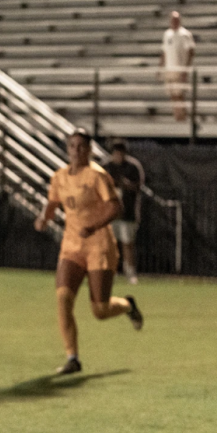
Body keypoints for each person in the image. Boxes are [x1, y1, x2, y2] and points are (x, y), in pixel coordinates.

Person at [34, 129, 144, 375]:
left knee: (100, 311)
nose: (76, 150)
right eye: (72, 146)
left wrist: (93, 226)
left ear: (90, 150)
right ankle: (72, 358)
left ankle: (127, 304)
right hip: (72, 246)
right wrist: (43, 219)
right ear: (67, 149)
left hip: (99, 246)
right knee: (63, 298)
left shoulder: (98, 176)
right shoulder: (59, 177)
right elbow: (52, 204)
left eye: (82, 146)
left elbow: (116, 206)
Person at [102, 140, 145, 285]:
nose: (118, 156)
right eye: (115, 153)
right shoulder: (106, 166)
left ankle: (130, 272)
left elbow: (139, 186)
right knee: (110, 244)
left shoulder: (132, 167)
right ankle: (110, 271)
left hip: (128, 212)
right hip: (110, 213)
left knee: (128, 244)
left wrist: (128, 185)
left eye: (120, 153)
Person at [160, 11, 195, 122]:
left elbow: (191, 51)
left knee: (180, 94)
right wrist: (161, 66)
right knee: (172, 95)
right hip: (169, 69)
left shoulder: (185, 34)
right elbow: (164, 51)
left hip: (180, 68)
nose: (174, 22)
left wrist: (186, 68)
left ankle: (182, 118)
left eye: (176, 19)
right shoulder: (167, 34)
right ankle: (177, 117)